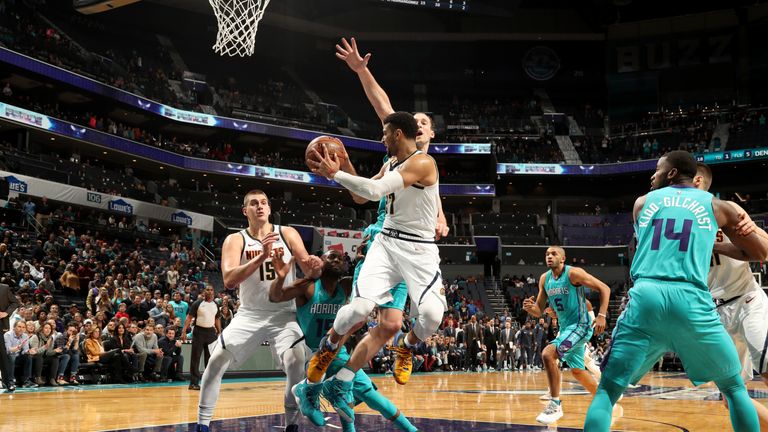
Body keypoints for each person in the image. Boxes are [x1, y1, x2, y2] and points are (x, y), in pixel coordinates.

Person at [584, 151, 768, 431]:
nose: (652, 175)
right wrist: (743, 225)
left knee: (607, 391)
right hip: (693, 299)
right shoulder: (721, 208)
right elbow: (759, 252)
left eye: (657, 169)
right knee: (733, 388)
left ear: (671, 173)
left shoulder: (641, 203)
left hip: (648, 295)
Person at [301, 112, 447, 422]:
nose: (381, 139)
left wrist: (335, 173)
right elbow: (364, 192)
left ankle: (406, 346)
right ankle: (327, 351)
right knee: (357, 310)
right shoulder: (390, 163)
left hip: (419, 251)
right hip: (385, 243)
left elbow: (375, 191)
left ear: (397, 135)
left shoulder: (423, 163)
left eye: (384, 133)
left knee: (432, 318)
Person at [325, 36, 450, 388]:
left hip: (417, 244)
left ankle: (388, 355)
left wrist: (441, 217)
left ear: (431, 132)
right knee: (363, 312)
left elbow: (429, 201)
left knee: (399, 323)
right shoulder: (394, 154)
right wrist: (362, 71)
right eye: (416, 121)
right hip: (384, 236)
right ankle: (337, 363)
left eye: (425, 122)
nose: (419, 124)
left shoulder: (426, 165)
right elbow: (382, 105)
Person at [195, 189, 323, 432]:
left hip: (285, 314)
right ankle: (202, 425)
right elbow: (229, 280)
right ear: (246, 211)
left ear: (270, 208)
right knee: (215, 361)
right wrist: (261, 256)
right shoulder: (236, 239)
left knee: (295, 361)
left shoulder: (287, 233)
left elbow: (308, 267)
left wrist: (315, 266)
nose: (260, 207)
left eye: (264, 202)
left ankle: (292, 426)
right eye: (254, 204)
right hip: (250, 314)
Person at [273, 250, 417, 431]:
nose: (337, 260)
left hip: (338, 352)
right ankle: (306, 389)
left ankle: (411, 429)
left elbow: (366, 281)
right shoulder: (309, 287)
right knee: (349, 401)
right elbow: (276, 296)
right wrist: (281, 278)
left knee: (364, 398)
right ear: (321, 261)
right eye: (331, 257)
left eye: (341, 258)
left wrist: (364, 257)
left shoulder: (346, 286)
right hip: (313, 355)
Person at [694, 162, 768, 428]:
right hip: (713, 312)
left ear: (698, 181)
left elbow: (765, 250)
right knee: (730, 395)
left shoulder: (727, 210)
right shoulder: (676, 220)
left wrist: (720, 244)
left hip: (747, 300)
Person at [523, 246, 610, 425]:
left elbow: (604, 288)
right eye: (547, 254)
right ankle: (607, 401)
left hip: (581, 326)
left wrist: (601, 315)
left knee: (548, 353)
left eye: (554, 254)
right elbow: (539, 310)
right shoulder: (544, 279)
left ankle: (555, 404)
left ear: (563, 259)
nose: (549, 256)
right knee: (578, 371)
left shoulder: (573, 274)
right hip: (567, 328)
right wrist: (531, 309)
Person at [183, 284, 221, 390]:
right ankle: (193, 383)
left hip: (210, 333)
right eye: (207, 290)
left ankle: (208, 382)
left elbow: (217, 319)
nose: (209, 291)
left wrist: (219, 332)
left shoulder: (215, 304)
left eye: (211, 290)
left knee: (210, 359)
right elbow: (189, 317)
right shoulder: (198, 303)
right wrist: (184, 331)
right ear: (204, 292)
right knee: (195, 358)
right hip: (199, 332)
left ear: (214, 292)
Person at [0, 282, 19, 391]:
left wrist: (6, 313)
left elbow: (15, 303)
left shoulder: (4, 288)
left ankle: (8, 382)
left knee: (3, 355)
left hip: (1, 325)